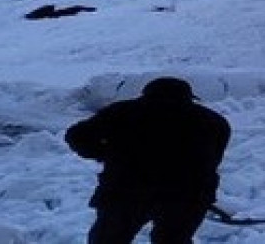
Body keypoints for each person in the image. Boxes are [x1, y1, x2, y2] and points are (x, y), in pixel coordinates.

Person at [65, 76, 232, 244]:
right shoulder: (214, 123)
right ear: (189, 97)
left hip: (126, 191)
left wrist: (104, 153)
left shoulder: (121, 113)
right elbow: (212, 160)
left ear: (145, 94)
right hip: (187, 196)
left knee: (109, 239)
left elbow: (76, 135)